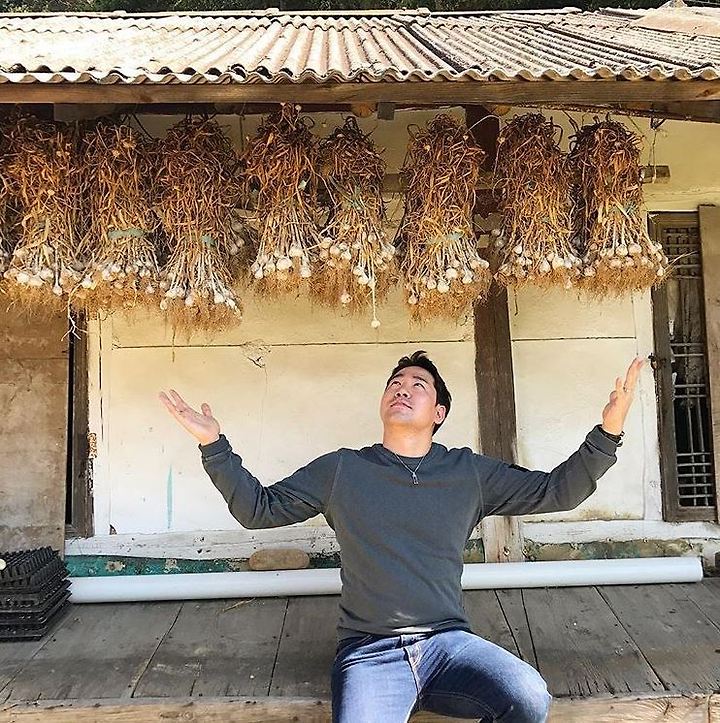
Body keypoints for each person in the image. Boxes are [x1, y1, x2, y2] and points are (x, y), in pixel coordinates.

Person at [160, 350, 644, 723]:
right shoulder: (344, 469)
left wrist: (609, 431)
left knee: (528, 696)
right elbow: (258, 509)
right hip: (369, 653)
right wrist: (213, 445)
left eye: (418, 385)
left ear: (439, 412)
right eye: (395, 384)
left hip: (448, 645)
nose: (403, 390)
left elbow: (557, 491)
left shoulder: (467, 473)